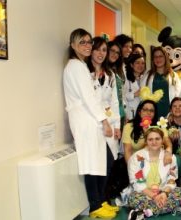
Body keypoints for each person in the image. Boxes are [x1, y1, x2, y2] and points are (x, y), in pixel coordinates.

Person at [63, 28, 117, 218]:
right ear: (73, 45)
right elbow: (88, 97)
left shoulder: (80, 66)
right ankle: (95, 206)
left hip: (90, 119)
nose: (87, 46)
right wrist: (104, 121)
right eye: (82, 42)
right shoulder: (76, 66)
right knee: (92, 164)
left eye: (88, 42)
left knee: (101, 161)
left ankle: (100, 202)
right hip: (85, 120)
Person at [127, 127, 181, 218]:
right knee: (133, 198)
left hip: (163, 191)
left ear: (162, 140)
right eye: (150, 139)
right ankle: (162, 208)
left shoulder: (170, 158)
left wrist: (164, 194)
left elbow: (172, 179)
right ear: (146, 141)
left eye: (157, 139)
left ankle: (145, 212)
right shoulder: (136, 157)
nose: (154, 142)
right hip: (144, 193)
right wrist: (154, 197)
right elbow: (136, 183)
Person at [87, 36, 121, 162]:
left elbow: (114, 101)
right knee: (97, 164)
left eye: (104, 50)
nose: (101, 53)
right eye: (97, 49)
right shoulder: (85, 73)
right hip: (93, 124)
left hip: (110, 122)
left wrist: (117, 126)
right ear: (91, 51)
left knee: (110, 161)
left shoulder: (110, 75)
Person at [141, 46, 181, 118]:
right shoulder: (147, 75)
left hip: (169, 114)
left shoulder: (174, 76)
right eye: (155, 57)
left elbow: (178, 96)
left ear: (165, 58)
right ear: (153, 59)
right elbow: (142, 96)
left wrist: (173, 113)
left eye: (160, 56)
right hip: (151, 114)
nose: (158, 59)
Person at [107, 41, 126, 126]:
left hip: (120, 113)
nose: (115, 54)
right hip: (109, 114)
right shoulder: (102, 70)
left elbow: (121, 93)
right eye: (112, 51)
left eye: (117, 53)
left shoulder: (118, 71)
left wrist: (124, 113)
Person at [123, 53, 145, 120]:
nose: (140, 65)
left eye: (142, 63)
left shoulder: (144, 78)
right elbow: (122, 97)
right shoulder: (125, 79)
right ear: (131, 65)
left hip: (142, 114)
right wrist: (134, 94)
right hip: (129, 114)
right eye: (137, 63)